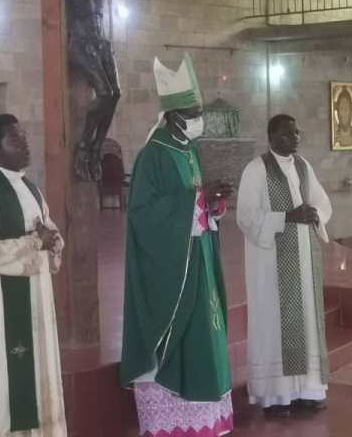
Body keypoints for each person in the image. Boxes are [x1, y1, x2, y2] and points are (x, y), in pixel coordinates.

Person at [0, 0, 164, 182]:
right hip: (81, 43)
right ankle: (84, 145)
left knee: (115, 94)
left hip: (100, 43)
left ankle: (96, 146)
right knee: (104, 94)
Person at [120, 54, 235, 437]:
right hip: (169, 273)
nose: (199, 119)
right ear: (172, 116)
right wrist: (197, 201)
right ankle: (172, 425)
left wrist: (212, 203)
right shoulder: (153, 155)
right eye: (193, 113)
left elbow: (195, 203)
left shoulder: (188, 148)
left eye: (200, 111)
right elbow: (142, 216)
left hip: (197, 264)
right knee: (181, 339)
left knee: (205, 337)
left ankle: (205, 423)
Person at [0, 114, 67, 437]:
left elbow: (49, 231)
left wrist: (52, 241)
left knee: (38, 367)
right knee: (6, 378)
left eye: (24, 135)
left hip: (35, 299)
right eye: (14, 138)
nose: (25, 142)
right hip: (0, 309)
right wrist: (33, 243)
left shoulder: (31, 189)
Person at [236, 114, 332, 417]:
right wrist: (286, 217)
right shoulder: (255, 170)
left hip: (304, 259)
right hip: (271, 266)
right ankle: (276, 395)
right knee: (275, 322)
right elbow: (246, 216)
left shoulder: (303, 166)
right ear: (272, 137)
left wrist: (315, 213)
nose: (296, 137)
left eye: (297, 132)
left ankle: (308, 390)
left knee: (306, 321)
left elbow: (320, 201)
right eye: (289, 133)